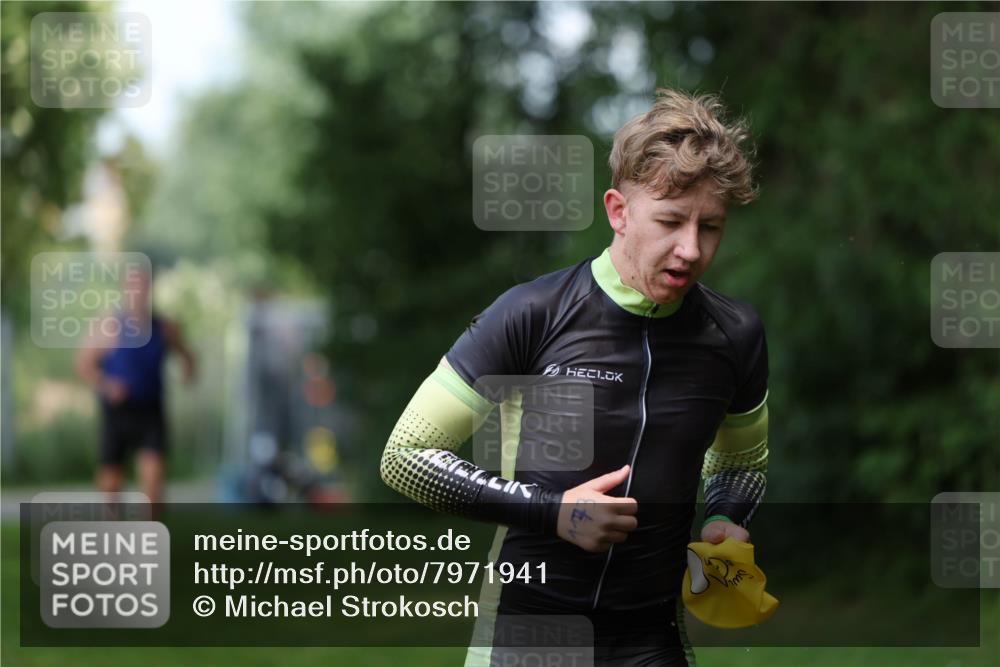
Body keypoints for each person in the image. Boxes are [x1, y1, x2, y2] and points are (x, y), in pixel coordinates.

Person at [380, 88, 769, 667]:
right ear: (618, 211)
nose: (690, 249)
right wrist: (552, 510)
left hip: (651, 639)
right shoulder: (532, 313)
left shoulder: (732, 334)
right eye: (669, 222)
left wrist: (722, 518)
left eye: (709, 227)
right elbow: (406, 456)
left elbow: (741, 461)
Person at [75, 264, 196, 509]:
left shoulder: (164, 327)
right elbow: (83, 365)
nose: (138, 291)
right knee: (111, 484)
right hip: (117, 412)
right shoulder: (108, 326)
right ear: (124, 288)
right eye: (133, 285)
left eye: (143, 285)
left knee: (153, 484)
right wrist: (108, 385)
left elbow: (187, 355)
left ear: (150, 288)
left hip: (150, 411)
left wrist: (188, 372)